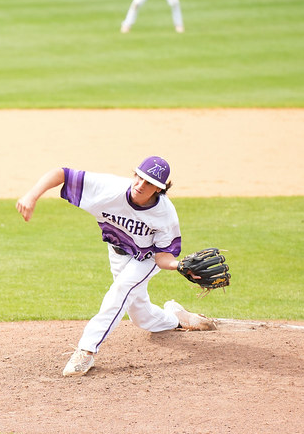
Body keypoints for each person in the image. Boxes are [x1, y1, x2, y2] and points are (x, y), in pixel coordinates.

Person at [15, 156, 214, 377]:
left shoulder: (165, 215)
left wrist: (179, 266)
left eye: (149, 183)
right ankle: (176, 317)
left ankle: (86, 350)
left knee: (120, 290)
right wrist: (32, 195)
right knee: (141, 317)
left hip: (146, 258)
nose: (140, 185)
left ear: (159, 189)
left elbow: (162, 258)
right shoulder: (109, 188)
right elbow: (61, 174)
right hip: (117, 252)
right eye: (139, 177)